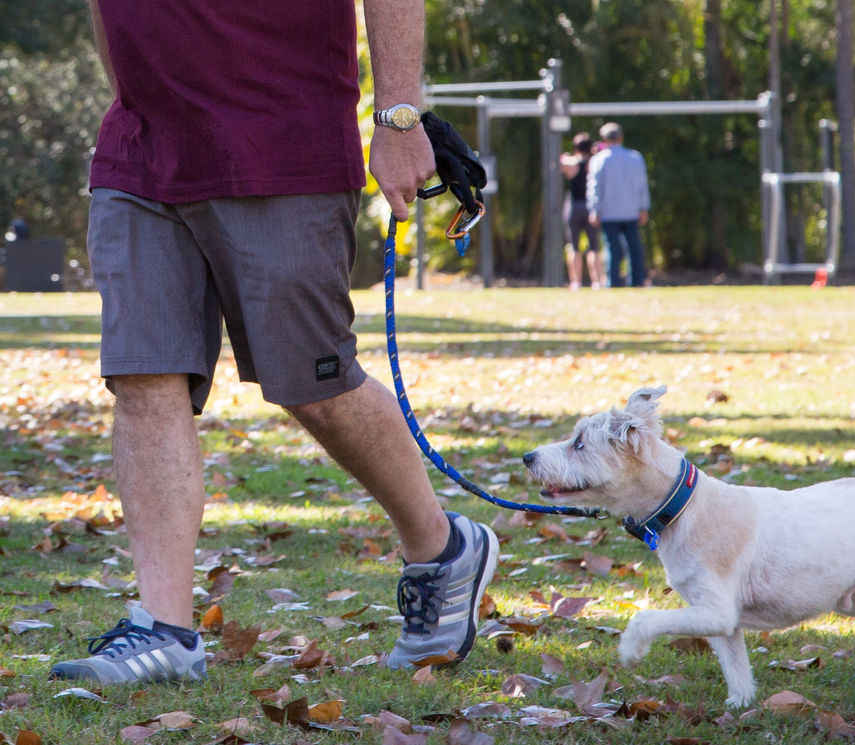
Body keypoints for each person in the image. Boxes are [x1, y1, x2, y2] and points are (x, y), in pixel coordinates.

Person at [49, 0, 500, 685]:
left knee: (314, 382)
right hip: (140, 146)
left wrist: (399, 116)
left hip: (281, 137)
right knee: (144, 375)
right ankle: (165, 628)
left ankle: (442, 546)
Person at [587, 122, 651, 288]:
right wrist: (644, 208)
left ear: (604, 139)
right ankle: (637, 281)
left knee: (612, 250)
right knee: (634, 249)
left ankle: (613, 282)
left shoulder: (599, 160)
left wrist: (595, 210)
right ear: (621, 137)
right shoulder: (636, 158)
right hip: (631, 211)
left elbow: (595, 187)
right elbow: (642, 186)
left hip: (609, 213)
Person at [560, 134, 604, 290]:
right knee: (594, 246)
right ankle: (597, 281)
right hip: (590, 207)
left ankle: (576, 282)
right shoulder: (594, 163)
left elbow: (561, 162)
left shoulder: (572, 163)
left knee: (574, 246)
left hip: (573, 207)